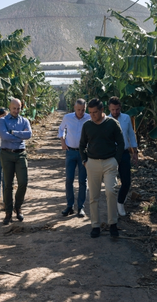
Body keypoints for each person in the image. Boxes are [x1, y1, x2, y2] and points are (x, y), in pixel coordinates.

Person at [79, 98, 124, 238]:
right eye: (90, 112)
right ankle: (95, 225)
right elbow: (82, 145)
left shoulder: (112, 124)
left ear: (102, 110)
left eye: (95, 112)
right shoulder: (87, 125)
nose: (92, 115)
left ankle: (113, 224)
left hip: (110, 162)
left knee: (111, 191)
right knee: (94, 196)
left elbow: (121, 143)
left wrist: (116, 160)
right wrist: (85, 161)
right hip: (92, 163)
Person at [0, 98, 32, 225]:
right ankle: (8, 211)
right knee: (7, 184)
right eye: (14, 108)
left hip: (20, 154)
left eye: (18, 108)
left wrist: (13, 132)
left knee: (23, 182)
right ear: (9, 108)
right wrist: (19, 136)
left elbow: (28, 135)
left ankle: (18, 206)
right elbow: (3, 135)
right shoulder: (2, 120)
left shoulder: (25, 121)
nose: (16, 111)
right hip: (6, 154)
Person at [58, 98, 90, 218]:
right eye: (78, 110)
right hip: (70, 151)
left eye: (83, 110)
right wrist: (62, 141)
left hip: (83, 153)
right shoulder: (67, 117)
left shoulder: (89, 118)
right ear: (74, 108)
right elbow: (61, 129)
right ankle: (70, 206)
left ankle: (81, 207)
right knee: (69, 179)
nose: (80, 113)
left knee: (83, 181)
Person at [108, 97, 139, 216]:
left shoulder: (126, 118)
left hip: (125, 153)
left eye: (117, 109)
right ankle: (115, 203)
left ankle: (120, 202)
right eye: (113, 110)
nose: (115, 112)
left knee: (126, 181)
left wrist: (135, 152)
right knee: (112, 182)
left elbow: (131, 134)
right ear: (109, 109)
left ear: (120, 107)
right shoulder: (105, 120)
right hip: (111, 154)